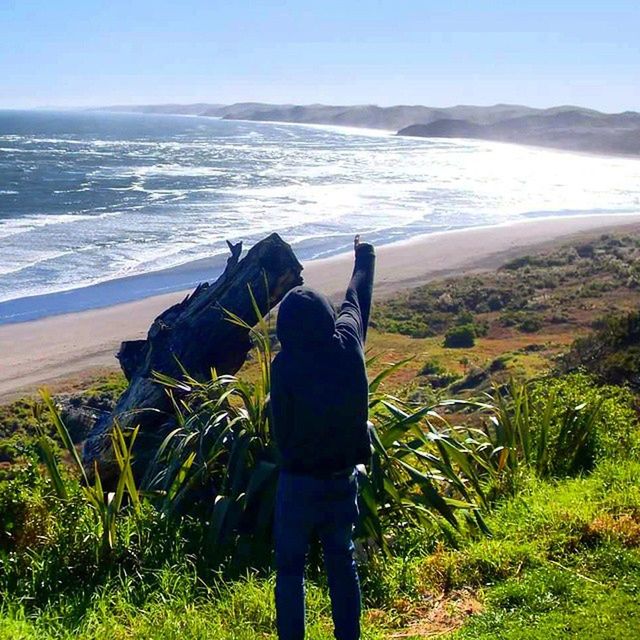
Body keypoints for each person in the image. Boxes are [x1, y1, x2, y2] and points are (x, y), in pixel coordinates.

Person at [270, 234, 376, 640]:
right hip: (339, 478)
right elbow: (357, 295)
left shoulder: (285, 367)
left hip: (297, 482)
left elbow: (281, 431)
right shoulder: (348, 344)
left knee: (290, 571)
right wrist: (363, 254)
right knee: (341, 560)